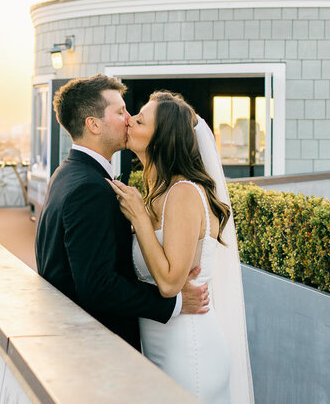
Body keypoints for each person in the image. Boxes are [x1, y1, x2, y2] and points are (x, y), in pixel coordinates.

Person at [34, 74, 209, 352]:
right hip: (96, 348)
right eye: (120, 112)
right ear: (93, 125)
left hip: (149, 343)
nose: (128, 118)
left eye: (133, 114)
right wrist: (175, 302)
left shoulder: (66, 174)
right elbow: (98, 286)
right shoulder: (90, 188)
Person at [110, 91, 254, 404]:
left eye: (139, 120)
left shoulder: (184, 193)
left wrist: (141, 220)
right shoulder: (155, 194)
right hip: (159, 343)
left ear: (162, 137)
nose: (129, 122)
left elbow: (170, 283)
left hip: (190, 350)